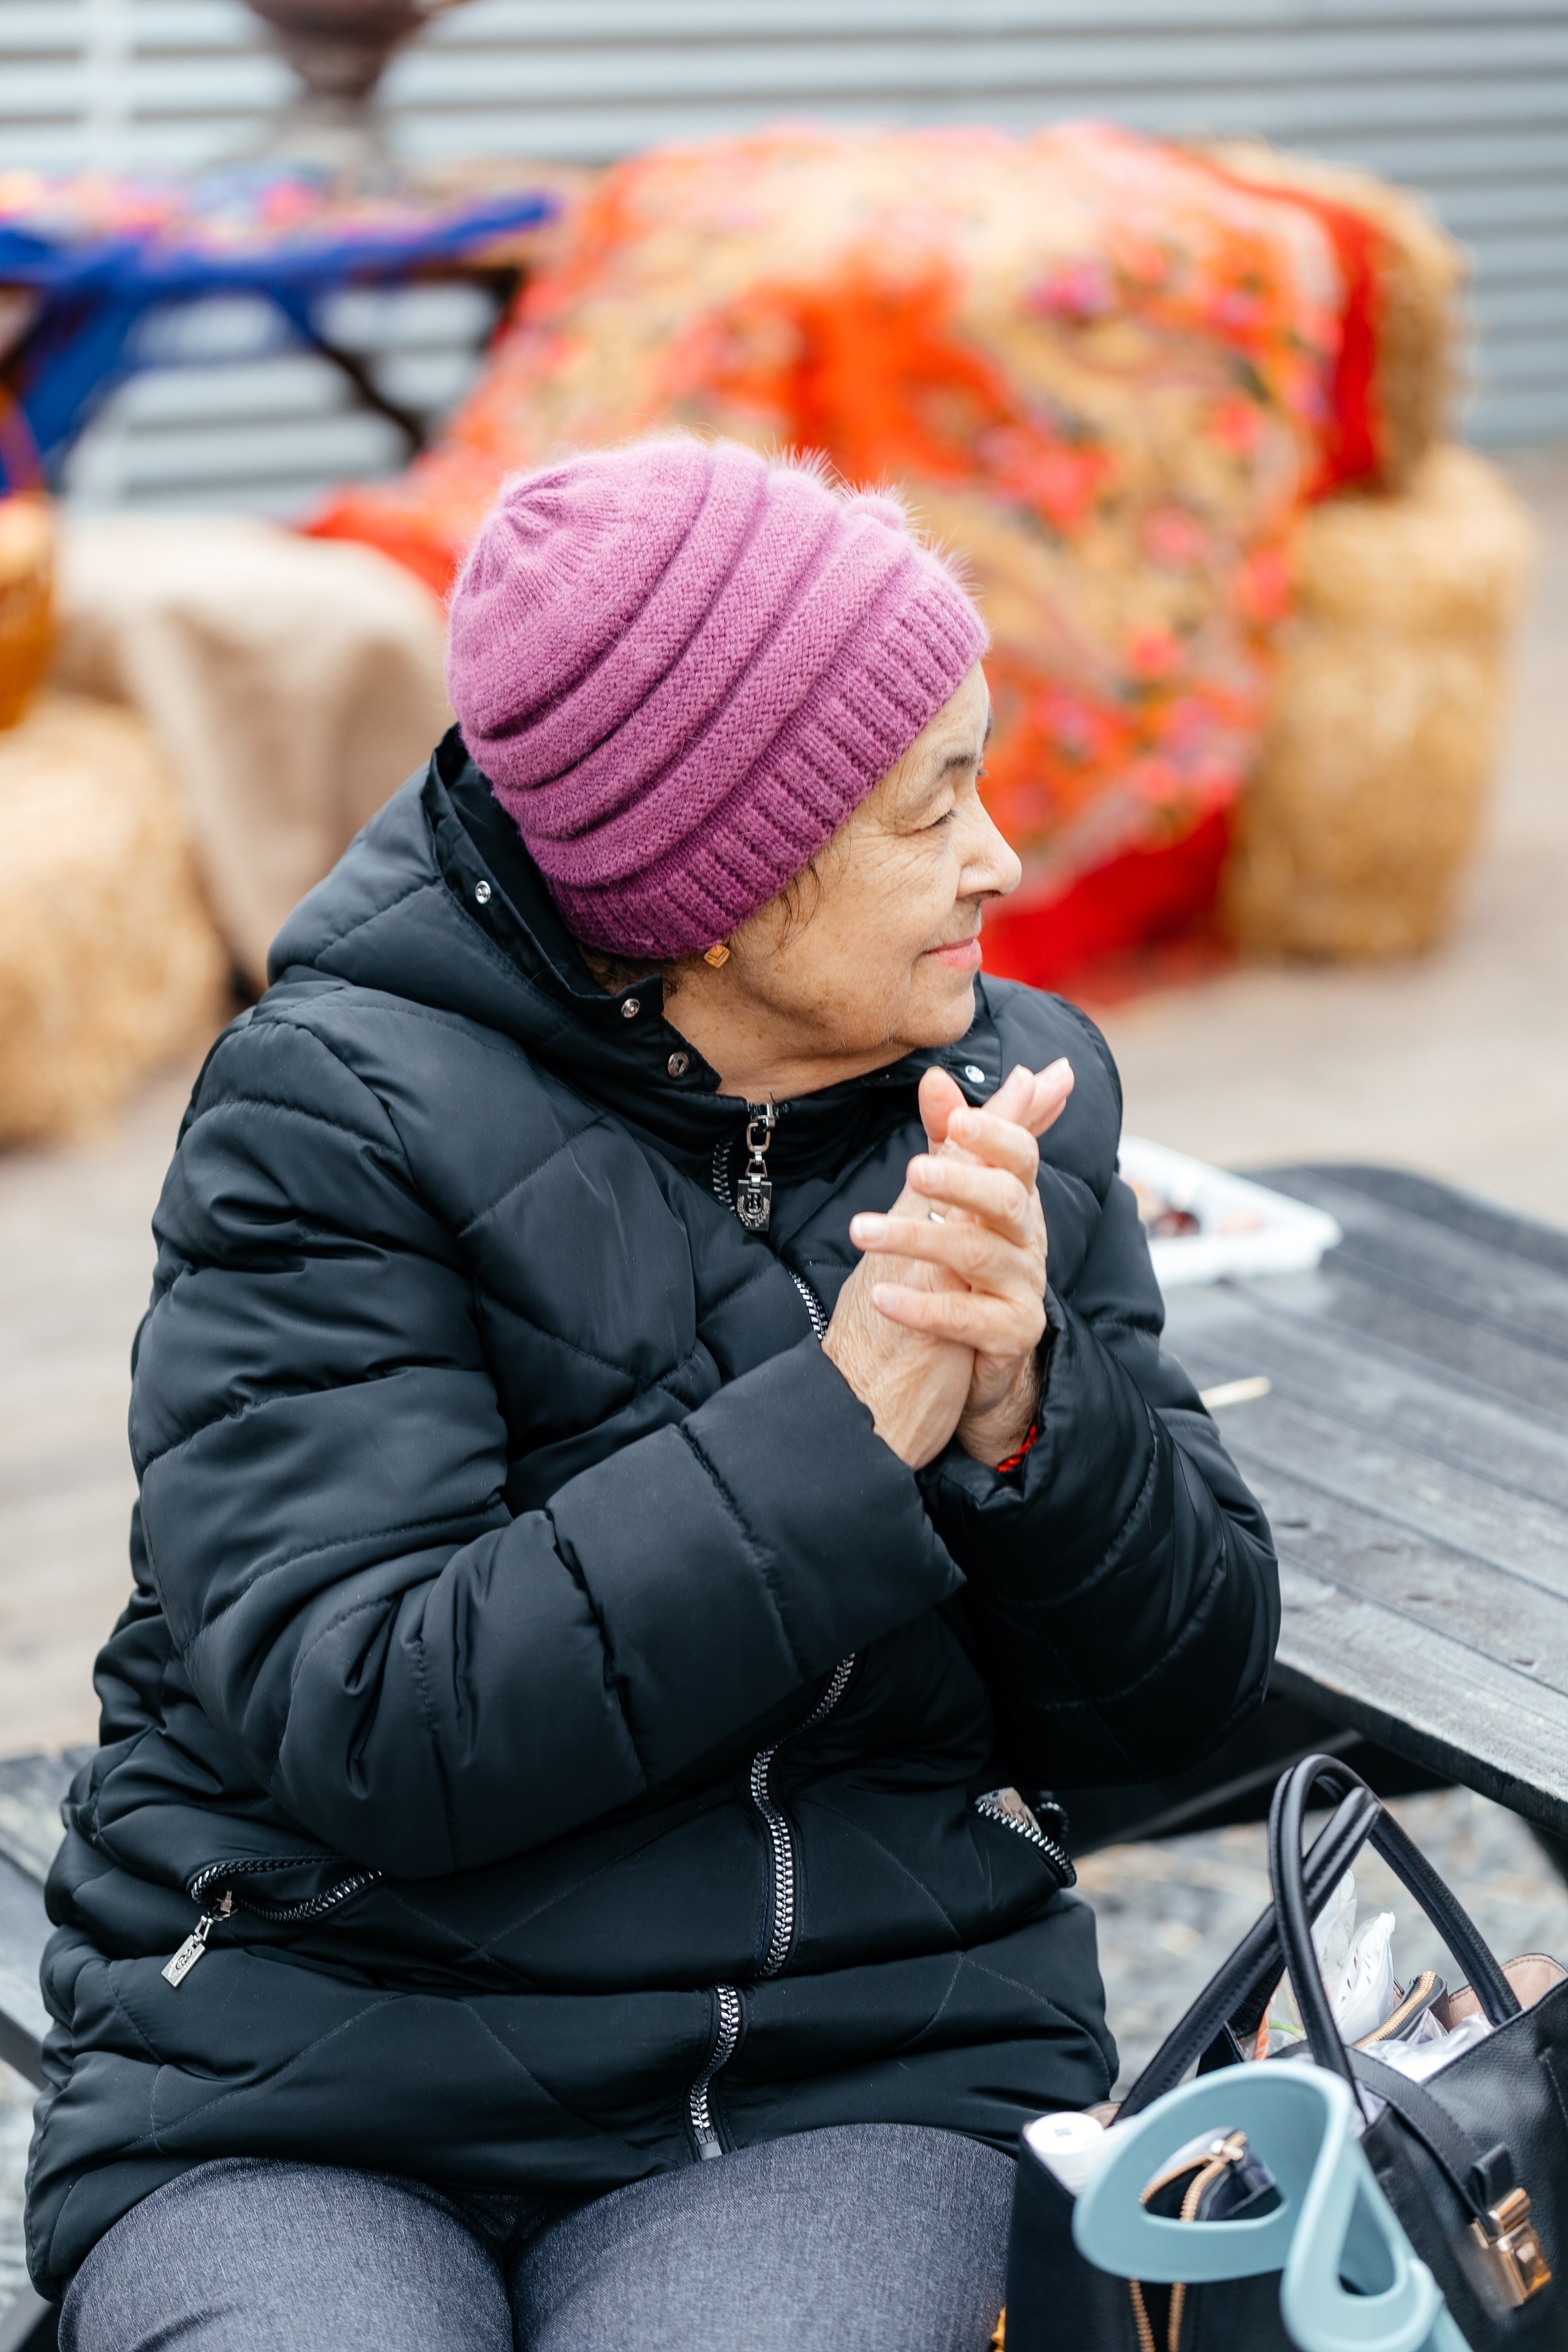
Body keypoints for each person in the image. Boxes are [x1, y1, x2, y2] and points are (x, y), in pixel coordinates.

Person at [29, 437, 1278, 2352]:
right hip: (314, 2077)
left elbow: (1168, 1720)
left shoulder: (1010, 1098)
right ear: (724, 881)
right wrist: (840, 1432)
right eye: (934, 803)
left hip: (843, 2069)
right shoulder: (328, 1120)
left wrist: (1036, 1416)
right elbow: (374, 1720)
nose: (1000, 860)